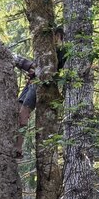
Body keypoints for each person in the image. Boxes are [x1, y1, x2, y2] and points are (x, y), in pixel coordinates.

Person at [13, 26, 66, 160]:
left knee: (24, 113)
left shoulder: (60, 52)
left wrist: (25, 64)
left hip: (40, 85)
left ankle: (18, 147)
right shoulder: (46, 50)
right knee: (17, 110)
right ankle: (14, 141)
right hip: (32, 83)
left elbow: (48, 71)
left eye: (55, 36)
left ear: (58, 36)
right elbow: (38, 68)